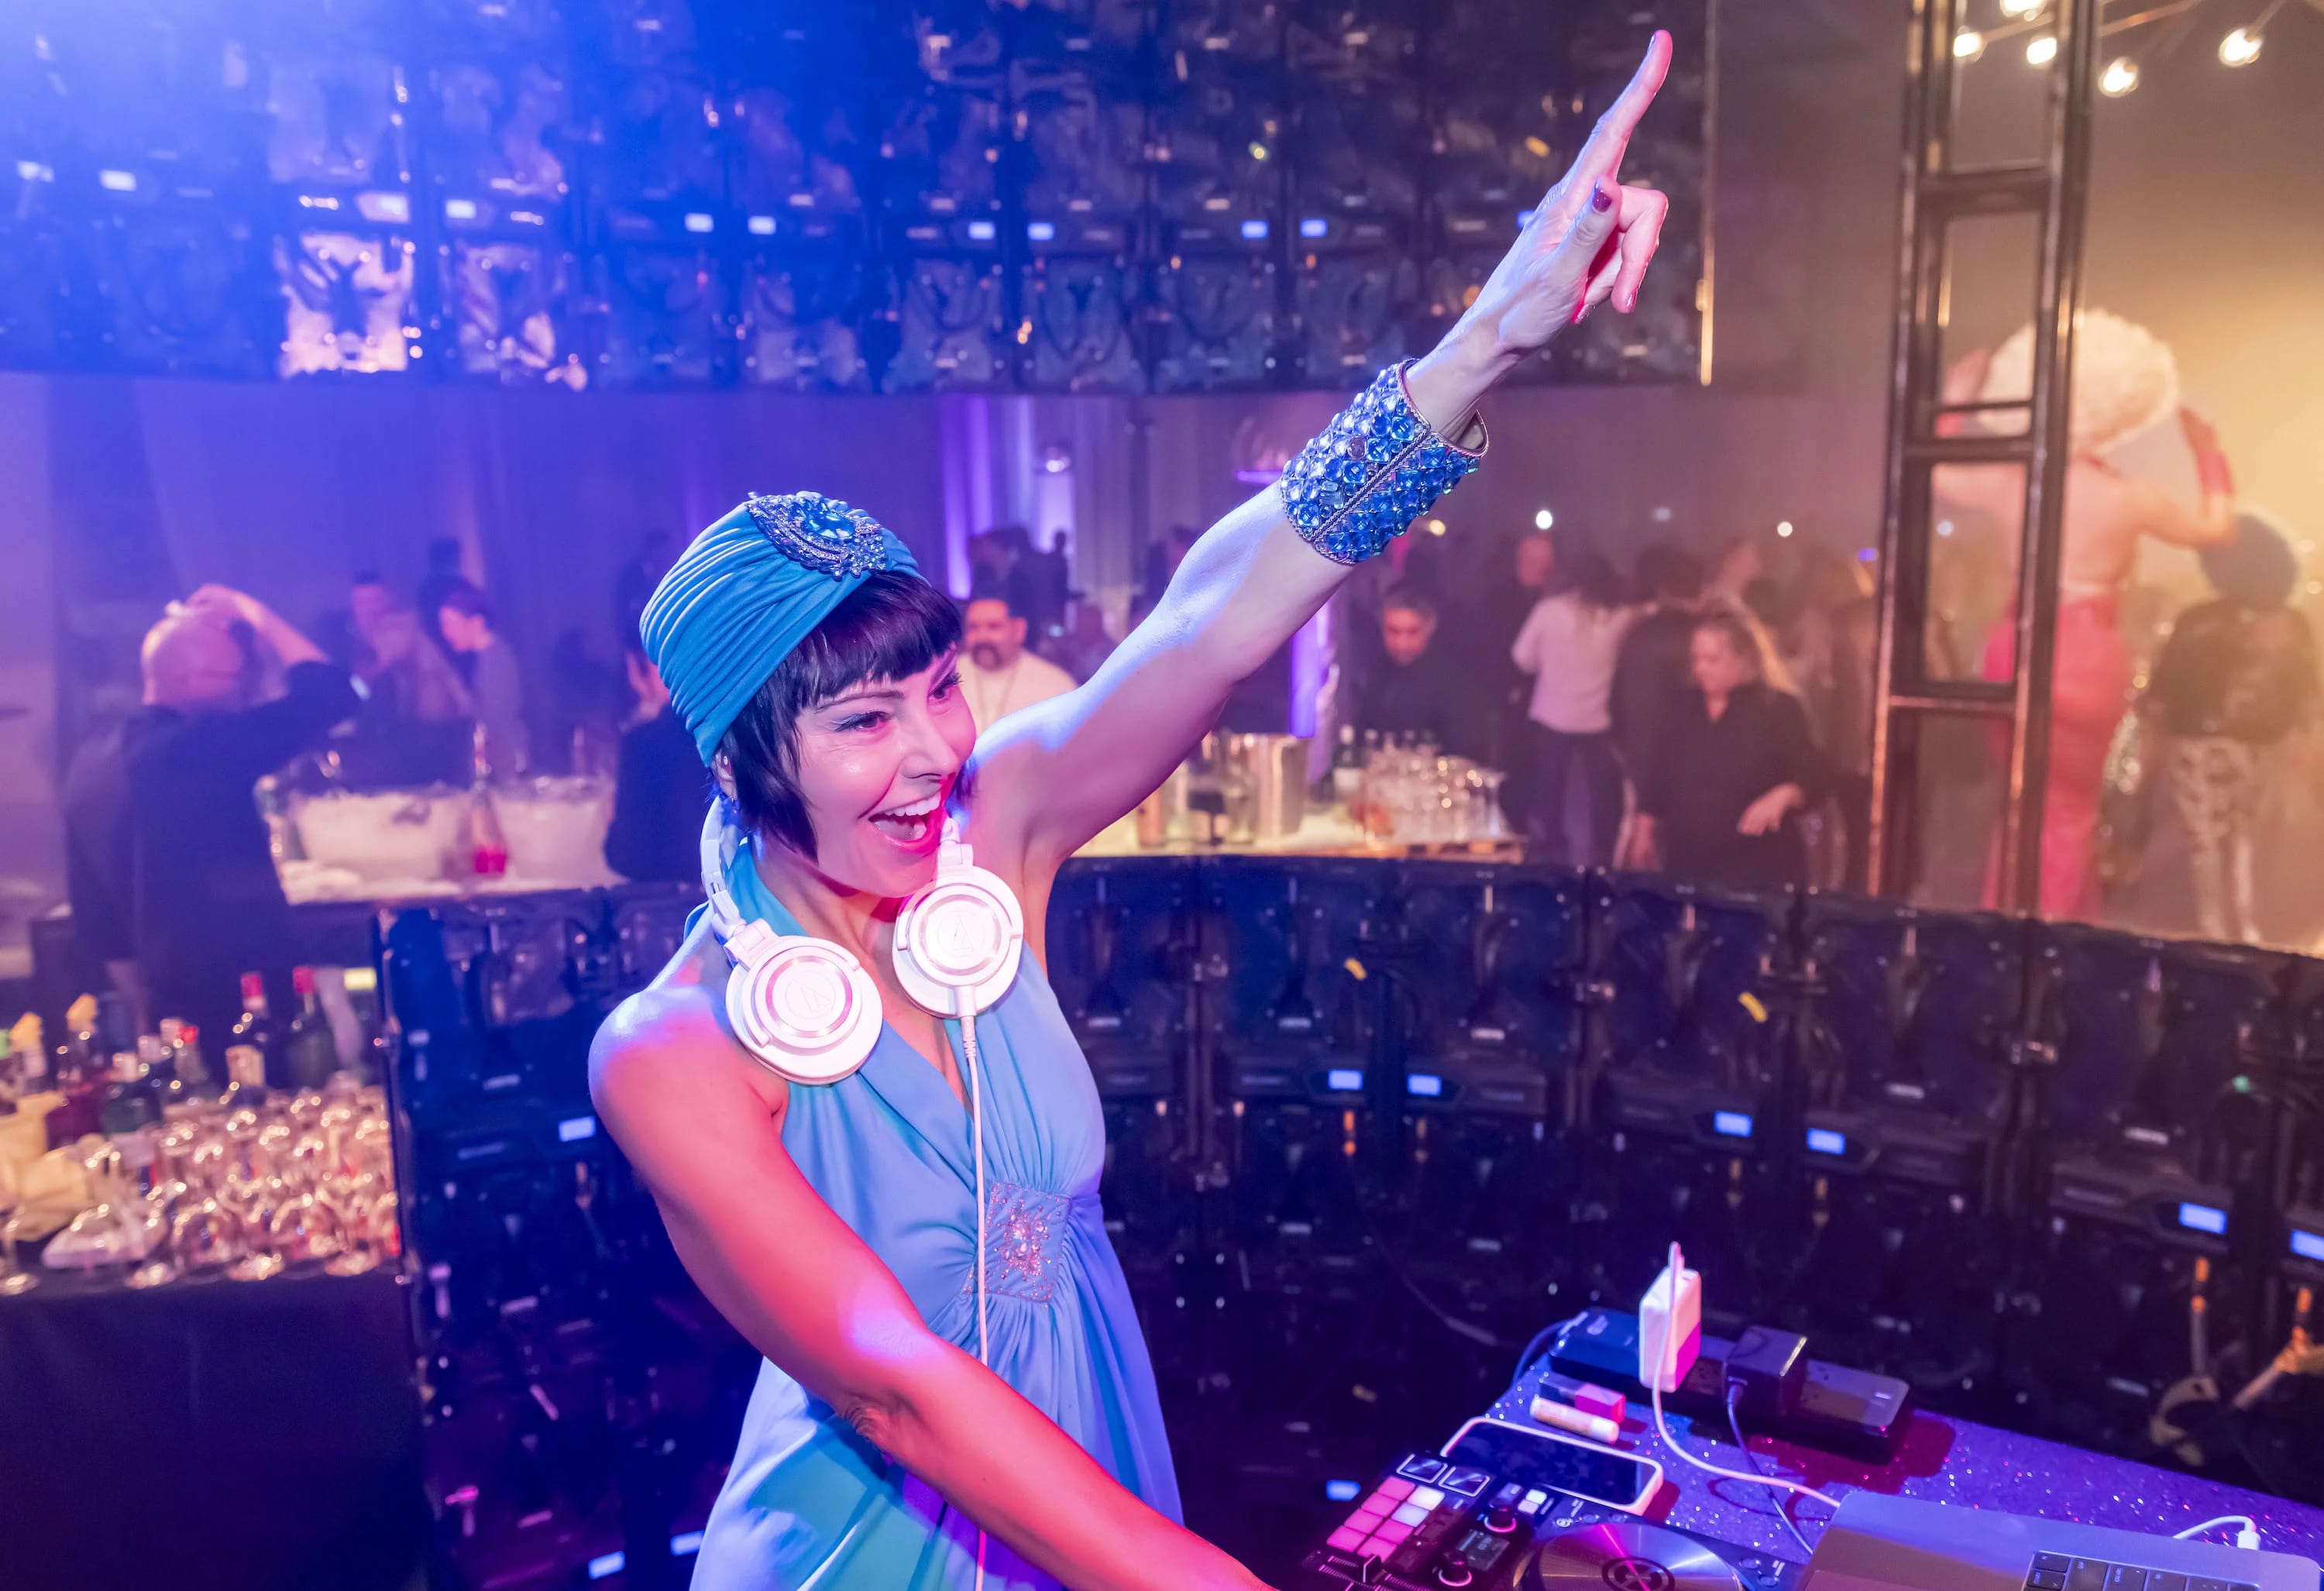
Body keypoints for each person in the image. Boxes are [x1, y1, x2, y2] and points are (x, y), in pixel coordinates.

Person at [590, 34, 1672, 1590]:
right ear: (740, 764)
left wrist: (1488, 335)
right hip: (871, 1545)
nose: (932, 752)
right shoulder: (672, 1048)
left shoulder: (998, 835)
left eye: (941, 689)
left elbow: (1210, 616)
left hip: (1097, 1470)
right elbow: (893, 1386)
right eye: (864, 721)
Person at [1937, 311, 2236, 918]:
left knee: (2018, 802)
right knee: (2069, 810)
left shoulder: (2011, 481)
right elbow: (2217, 528)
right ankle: (2052, 937)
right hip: (2085, 655)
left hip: (2013, 646)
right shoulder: (2130, 498)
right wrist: (2208, 454)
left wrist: (1954, 402)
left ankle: (2004, 927)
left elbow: (1938, 474)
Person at [82, 588, 359, 1061]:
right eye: (232, 679)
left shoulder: (91, 765)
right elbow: (333, 695)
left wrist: (144, 1016)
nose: (240, 695)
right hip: (247, 1000)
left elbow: (100, 923)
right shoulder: (199, 747)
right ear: (185, 678)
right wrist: (257, 612)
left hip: (165, 1005)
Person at [2144, 514, 2319, 943]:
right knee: (2245, 842)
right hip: (2263, 748)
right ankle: (2248, 926)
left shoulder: (2198, 621)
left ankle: (2215, 929)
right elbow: (2306, 693)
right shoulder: (2293, 625)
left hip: (2196, 746)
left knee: (2205, 844)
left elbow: (2163, 692)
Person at [1634, 611, 1825, 892]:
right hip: (1690, 859)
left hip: (1758, 862)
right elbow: (1658, 770)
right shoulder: (1683, 708)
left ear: (1743, 660)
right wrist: (1644, 827)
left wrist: (1785, 794)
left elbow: (1815, 773)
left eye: (1712, 660)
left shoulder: (1778, 709)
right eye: (1696, 659)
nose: (1701, 669)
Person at [1510, 528, 1634, 864]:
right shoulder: (1619, 617)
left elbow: (1522, 658)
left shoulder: (1549, 611)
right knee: (1601, 795)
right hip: (1597, 718)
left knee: (1550, 791)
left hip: (1551, 714)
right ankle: (1603, 854)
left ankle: (1552, 853)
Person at [604, 641, 710, 883]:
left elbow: (629, 857)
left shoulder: (644, 743)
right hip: (740, 899)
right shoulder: (738, 731)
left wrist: (610, 824)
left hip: (674, 900)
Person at [1346, 585, 1472, 754]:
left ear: (1429, 628)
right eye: (1394, 631)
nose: (1402, 644)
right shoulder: (1374, 676)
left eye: (1412, 632)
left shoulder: (1452, 683)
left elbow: (1462, 751)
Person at [436, 582, 529, 778]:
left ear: (476, 623)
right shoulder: (486, 658)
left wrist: (455, 687)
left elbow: (493, 718)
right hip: (502, 760)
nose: (446, 633)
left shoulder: (496, 660)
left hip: (506, 764)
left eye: (451, 625)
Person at [959, 593, 1078, 730]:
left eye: (993, 627)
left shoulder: (1056, 685)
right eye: (973, 627)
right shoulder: (948, 677)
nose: (982, 637)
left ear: (1019, 630)